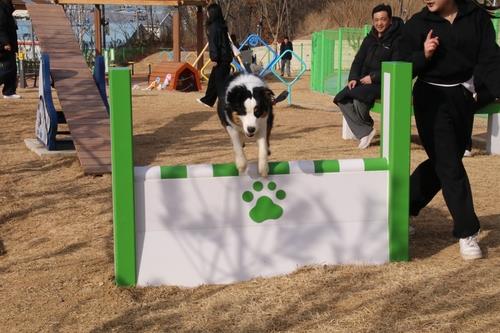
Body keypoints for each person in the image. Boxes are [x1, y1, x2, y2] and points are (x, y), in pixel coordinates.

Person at [400, 0, 500, 260]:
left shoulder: (477, 18)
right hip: (430, 99)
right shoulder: (418, 24)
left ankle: (400, 208)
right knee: (449, 165)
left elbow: (490, 59)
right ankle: (467, 231)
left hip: (463, 99)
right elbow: (398, 63)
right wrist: (423, 55)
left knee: (444, 163)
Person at [333, 4, 403, 149]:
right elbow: (358, 60)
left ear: (390, 20)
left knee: (359, 99)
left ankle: (364, 131)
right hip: (364, 82)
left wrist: (374, 77)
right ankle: (366, 131)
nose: (379, 23)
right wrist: (353, 78)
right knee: (341, 98)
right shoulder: (369, 38)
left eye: (383, 19)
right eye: (376, 20)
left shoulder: (398, 39)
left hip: (385, 82)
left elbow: (396, 65)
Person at [196, 3, 233, 109]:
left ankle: (227, 104)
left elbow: (214, 43)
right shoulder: (222, 25)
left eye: (208, 11)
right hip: (225, 57)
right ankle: (208, 100)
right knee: (213, 79)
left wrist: (214, 58)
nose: (206, 13)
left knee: (220, 83)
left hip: (221, 58)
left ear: (212, 13)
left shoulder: (213, 27)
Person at [0, 0, 20, 99]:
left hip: (10, 45)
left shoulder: (7, 9)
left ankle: (9, 92)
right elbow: (0, 28)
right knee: (7, 69)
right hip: (4, 46)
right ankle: (8, 91)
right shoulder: (1, 8)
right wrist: (5, 43)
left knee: (12, 69)